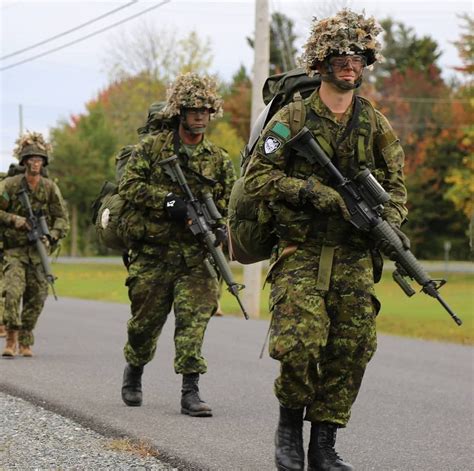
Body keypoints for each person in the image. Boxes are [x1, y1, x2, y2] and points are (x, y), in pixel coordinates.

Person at [243, 9, 408, 471]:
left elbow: (397, 189)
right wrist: (317, 194)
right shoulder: (293, 117)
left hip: (354, 258)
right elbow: (257, 178)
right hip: (300, 252)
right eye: (339, 55)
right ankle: (288, 430)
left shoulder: (374, 123)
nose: (349, 64)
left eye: (357, 55)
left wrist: (386, 222)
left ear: (366, 61)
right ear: (321, 61)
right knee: (300, 344)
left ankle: (324, 444)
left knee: (353, 348)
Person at [118, 72, 236, 416]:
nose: (199, 116)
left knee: (193, 322)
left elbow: (227, 204)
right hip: (153, 254)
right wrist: (169, 202)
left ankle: (190, 391)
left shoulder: (218, 159)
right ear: (179, 112)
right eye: (192, 109)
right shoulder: (153, 149)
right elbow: (129, 185)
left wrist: (220, 230)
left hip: (195, 258)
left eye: (205, 110)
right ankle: (134, 368)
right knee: (143, 326)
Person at [0, 132, 69, 358]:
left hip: (39, 252)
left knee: (37, 296)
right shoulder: (10, 185)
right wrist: (16, 220)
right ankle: (11, 337)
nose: (36, 163)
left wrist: (52, 235)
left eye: (40, 160)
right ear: (24, 162)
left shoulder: (49, 188)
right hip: (14, 250)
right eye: (32, 159)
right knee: (11, 292)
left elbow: (61, 218)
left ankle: (26, 339)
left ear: (44, 163)